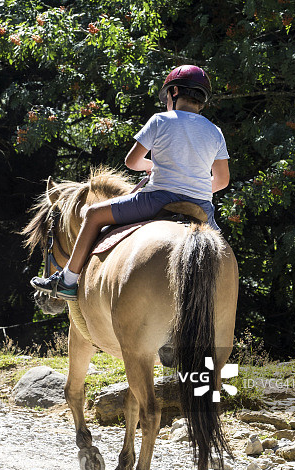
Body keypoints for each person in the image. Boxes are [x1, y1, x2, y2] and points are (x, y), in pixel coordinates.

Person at [30, 64, 230, 301]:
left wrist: (153, 167)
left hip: (157, 200)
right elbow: (222, 180)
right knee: (222, 255)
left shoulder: (160, 121)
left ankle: (68, 280)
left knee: (93, 214)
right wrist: (193, 183)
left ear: (174, 92)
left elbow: (132, 161)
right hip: (201, 208)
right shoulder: (215, 131)